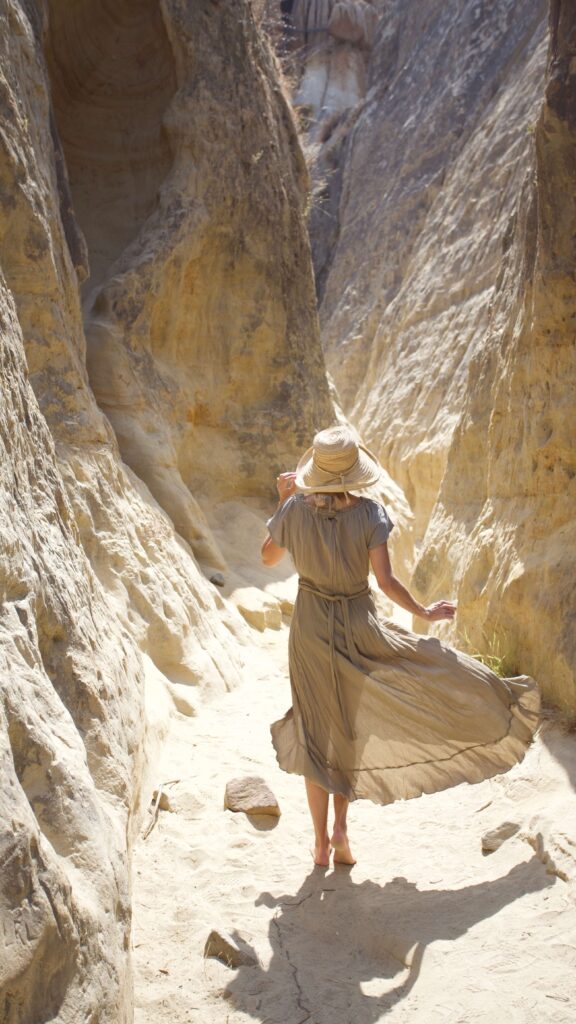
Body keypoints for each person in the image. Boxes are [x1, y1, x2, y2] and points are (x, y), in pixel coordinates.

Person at [261, 426, 539, 867]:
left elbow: (268, 557)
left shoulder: (294, 510)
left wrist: (281, 501)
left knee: (315, 732)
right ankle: (340, 831)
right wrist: (425, 612)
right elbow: (386, 583)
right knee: (348, 726)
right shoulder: (370, 514)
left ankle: (317, 844)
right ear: (354, 472)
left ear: (313, 472)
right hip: (358, 623)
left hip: (310, 628)